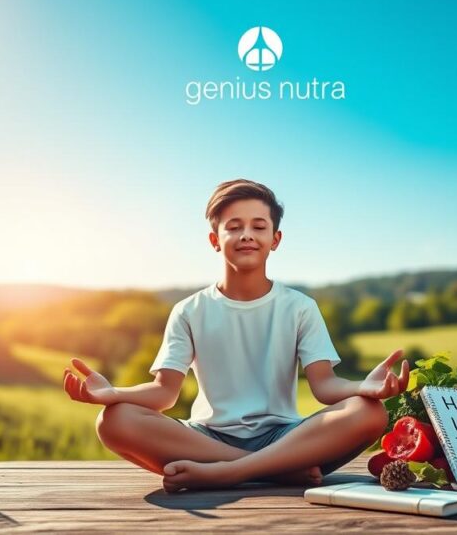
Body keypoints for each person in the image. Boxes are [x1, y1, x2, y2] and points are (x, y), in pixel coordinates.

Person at [63, 179, 409, 492]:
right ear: (215, 240)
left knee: (370, 413)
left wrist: (363, 388)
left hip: (285, 437)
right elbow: (164, 393)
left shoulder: (300, 307)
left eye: (259, 226)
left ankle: (227, 473)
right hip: (206, 438)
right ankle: (272, 472)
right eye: (234, 227)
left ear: (275, 240)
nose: (247, 235)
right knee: (113, 420)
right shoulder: (189, 310)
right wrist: (112, 393)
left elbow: (325, 386)